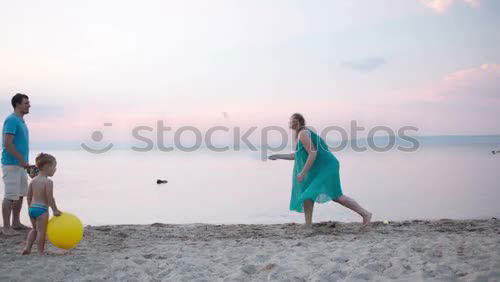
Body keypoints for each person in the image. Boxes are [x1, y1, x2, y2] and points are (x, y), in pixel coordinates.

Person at [269, 113, 372, 227]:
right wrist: (278, 156)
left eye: (291, 121)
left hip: (327, 167)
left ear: (298, 122)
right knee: (308, 194)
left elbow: (312, 153)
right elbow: (297, 156)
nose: (289, 123)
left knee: (336, 196)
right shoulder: (303, 134)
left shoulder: (303, 133)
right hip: (325, 166)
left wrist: (303, 172)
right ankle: (308, 224)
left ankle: (365, 214)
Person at [2, 93, 31, 235]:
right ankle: (6, 227)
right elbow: (7, 143)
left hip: (21, 164)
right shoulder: (12, 120)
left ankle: (16, 223)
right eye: (26, 103)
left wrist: (24, 162)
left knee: (20, 194)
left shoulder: (21, 121)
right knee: (10, 195)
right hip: (11, 164)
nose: (29, 105)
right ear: (17, 104)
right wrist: (21, 160)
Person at [22, 153, 61, 255]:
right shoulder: (48, 182)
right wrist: (55, 210)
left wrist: (30, 207)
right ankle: (40, 252)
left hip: (32, 209)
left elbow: (29, 196)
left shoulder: (33, 181)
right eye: (54, 167)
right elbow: (50, 197)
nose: (55, 169)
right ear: (47, 167)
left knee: (34, 229)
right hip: (42, 209)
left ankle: (28, 247)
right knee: (41, 232)